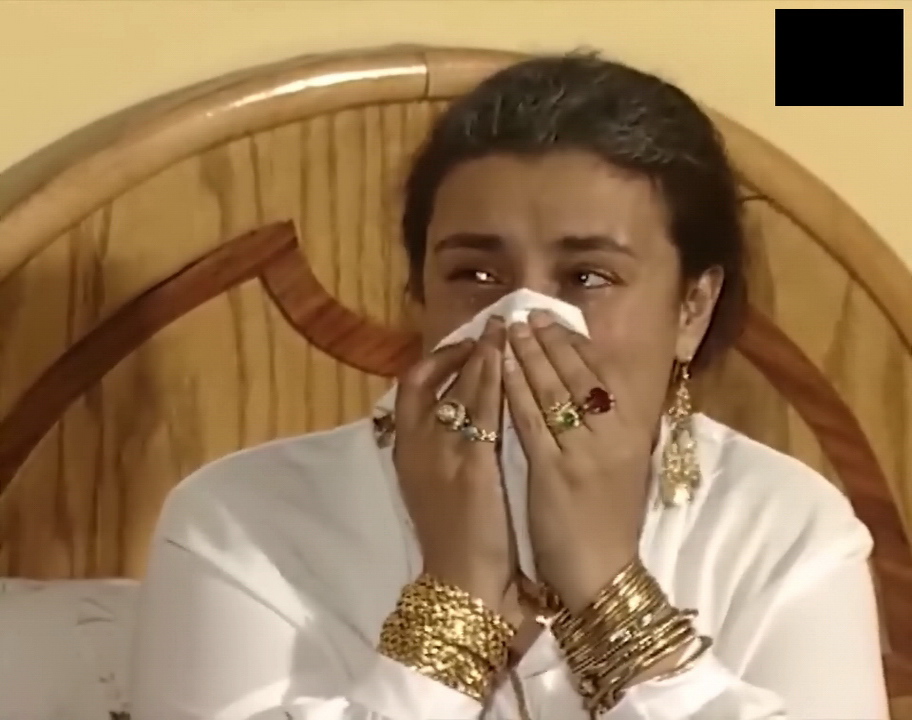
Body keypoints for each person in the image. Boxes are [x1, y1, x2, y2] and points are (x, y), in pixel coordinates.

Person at [129, 53, 889, 720]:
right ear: (419, 295)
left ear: (691, 308)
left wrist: (609, 593)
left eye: (588, 277)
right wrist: (453, 607)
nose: (521, 318)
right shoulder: (242, 523)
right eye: (475, 273)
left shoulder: (786, 530)